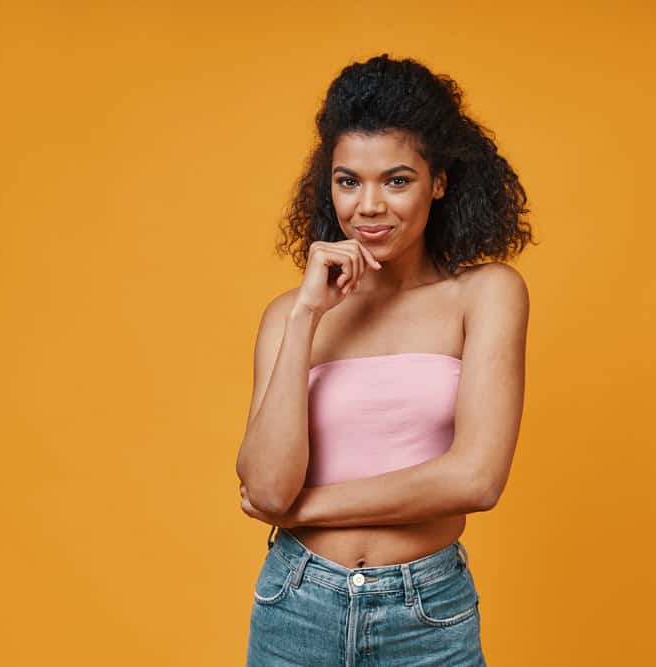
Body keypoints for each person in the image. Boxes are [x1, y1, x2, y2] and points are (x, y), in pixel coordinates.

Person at [236, 53, 534, 666]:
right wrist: (305, 318)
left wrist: (304, 509)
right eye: (349, 181)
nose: (369, 206)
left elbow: (475, 479)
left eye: (396, 180)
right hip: (296, 603)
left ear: (439, 181)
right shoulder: (290, 316)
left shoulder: (484, 296)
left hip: (425, 615)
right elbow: (265, 484)